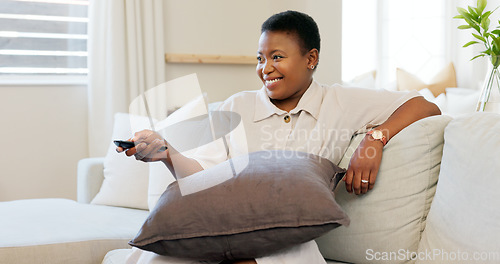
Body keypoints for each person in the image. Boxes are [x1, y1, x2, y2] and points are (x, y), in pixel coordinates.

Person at [118, 10, 441, 264]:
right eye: (260, 58)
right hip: (219, 227)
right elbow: (202, 180)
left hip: (283, 240)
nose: (265, 68)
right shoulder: (236, 106)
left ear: (311, 59)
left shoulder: (341, 102)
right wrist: (168, 154)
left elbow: (423, 105)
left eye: (277, 56)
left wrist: (374, 140)